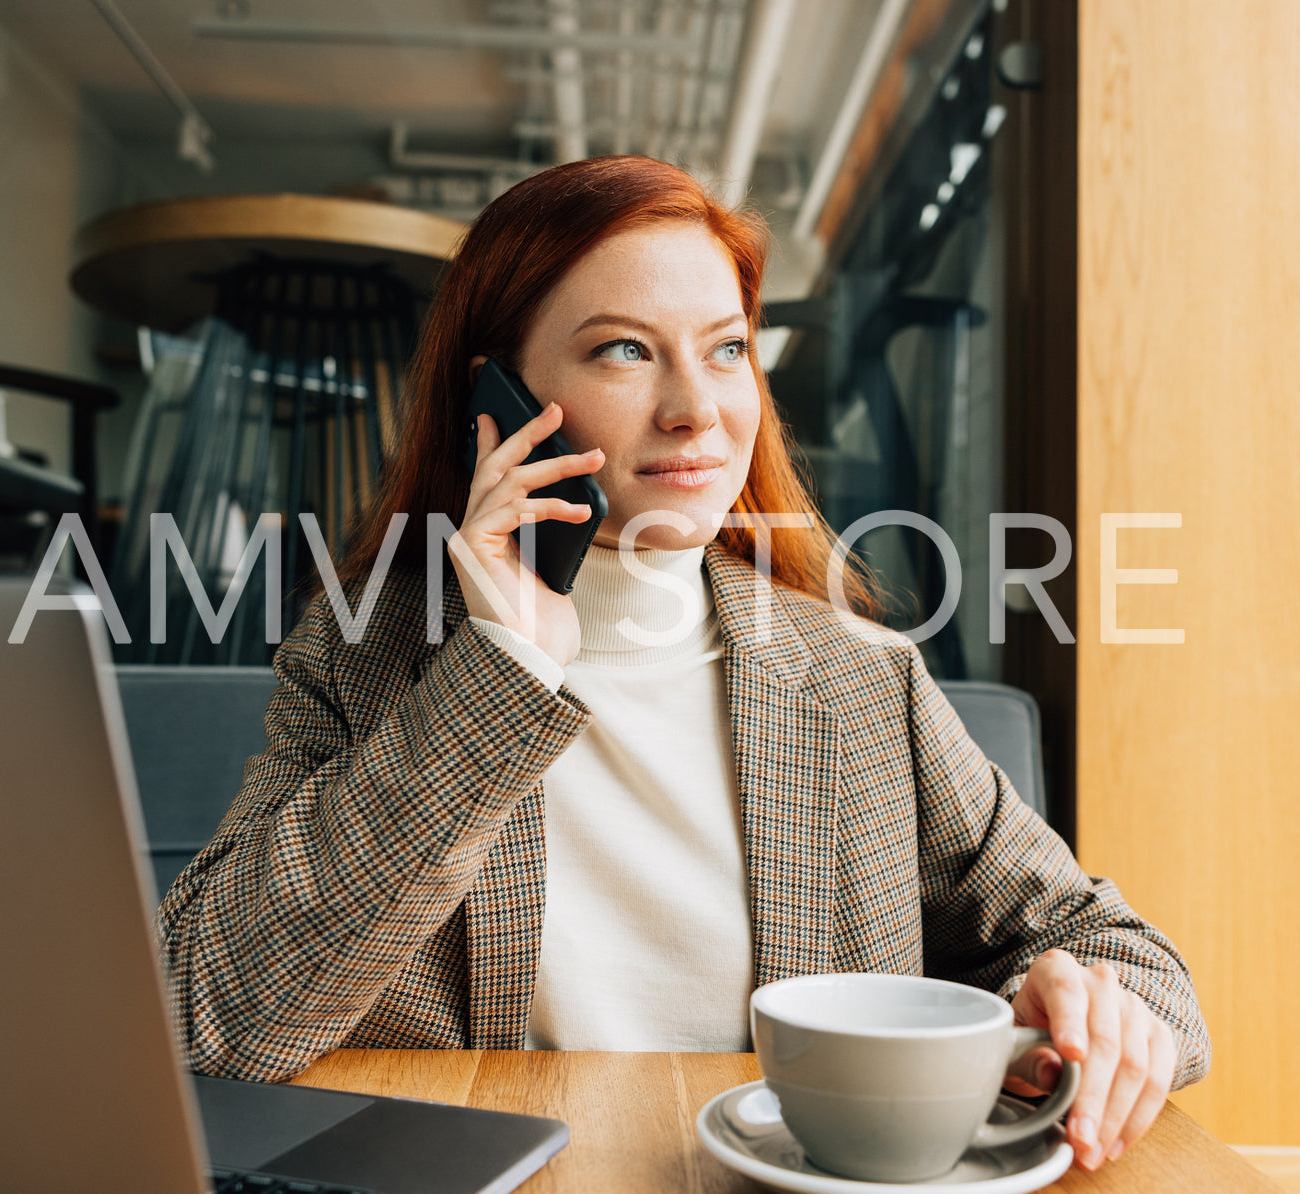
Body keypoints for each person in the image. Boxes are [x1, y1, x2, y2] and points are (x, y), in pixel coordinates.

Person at [157, 155, 1209, 1174]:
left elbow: (1123, 952)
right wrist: (505, 669)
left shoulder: (856, 677)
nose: (696, 412)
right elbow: (209, 1016)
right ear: (498, 400)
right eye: (622, 350)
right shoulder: (360, 657)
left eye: (723, 349)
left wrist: (1101, 1011)